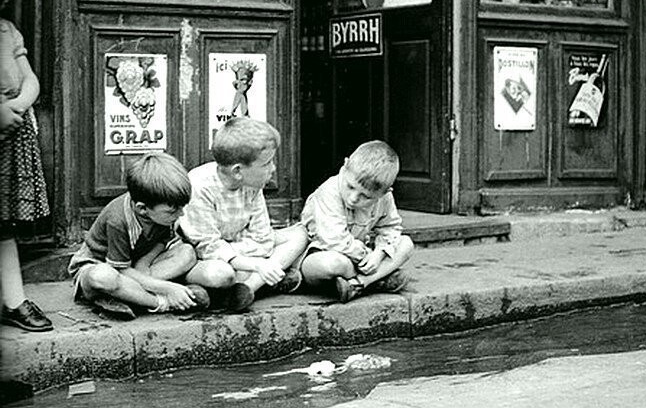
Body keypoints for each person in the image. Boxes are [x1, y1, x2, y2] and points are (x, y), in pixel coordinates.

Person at [178, 117, 308, 313]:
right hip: (205, 258)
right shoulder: (199, 186)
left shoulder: (252, 184)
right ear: (238, 171)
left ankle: (248, 288)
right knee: (220, 274)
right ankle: (266, 278)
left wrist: (252, 259)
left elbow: (263, 238)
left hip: (239, 249)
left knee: (299, 234)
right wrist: (256, 263)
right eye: (267, 163)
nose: (273, 169)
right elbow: (207, 246)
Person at [68, 152, 210, 319]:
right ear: (142, 209)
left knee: (187, 252)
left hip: (135, 266)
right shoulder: (117, 220)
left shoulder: (164, 212)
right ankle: (161, 302)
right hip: (103, 266)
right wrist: (167, 288)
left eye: (181, 208)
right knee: (104, 277)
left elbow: (162, 241)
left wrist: (145, 263)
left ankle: (129, 296)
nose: (181, 214)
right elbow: (120, 269)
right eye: (173, 211)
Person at [0, 0, 53, 332]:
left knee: (4, 226)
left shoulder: (7, 31)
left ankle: (14, 300)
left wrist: (18, 104)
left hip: (11, 134)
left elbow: (30, 77)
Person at [300, 140, 414, 302]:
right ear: (345, 166)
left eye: (365, 196)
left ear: (384, 193)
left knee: (406, 244)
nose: (353, 198)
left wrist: (379, 254)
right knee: (335, 263)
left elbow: (391, 228)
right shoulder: (329, 191)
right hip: (322, 255)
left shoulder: (385, 198)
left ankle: (359, 283)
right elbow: (335, 240)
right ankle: (377, 279)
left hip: (359, 259)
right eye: (350, 187)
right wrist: (367, 256)